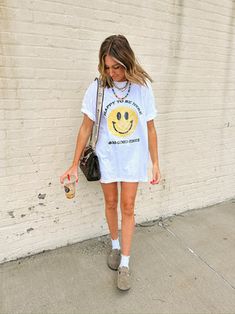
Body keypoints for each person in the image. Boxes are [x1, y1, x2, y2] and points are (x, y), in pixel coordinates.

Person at [60, 34, 161, 291]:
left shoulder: (142, 88)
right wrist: (73, 164)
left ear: (127, 61)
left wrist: (155, 163)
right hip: (108, 158)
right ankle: (114, 245)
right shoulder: (97, 88)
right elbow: (85, 128)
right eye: (107, 66)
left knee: (127, 207)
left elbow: (150, 128)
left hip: (133, 159)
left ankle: (125, 263)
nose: (112, 72)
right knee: (111, 203)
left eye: (117, 66)